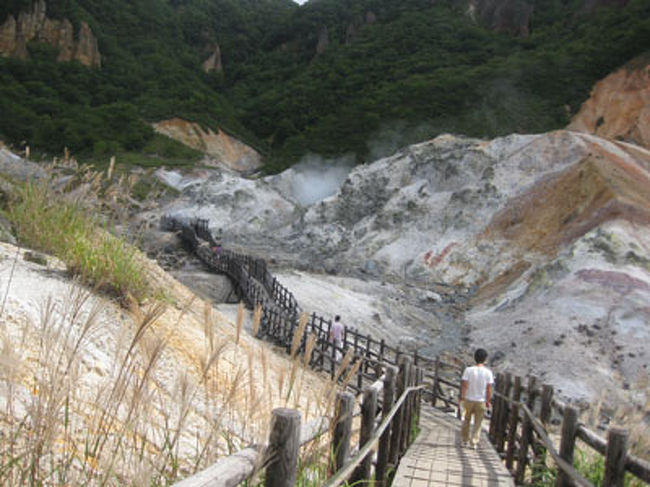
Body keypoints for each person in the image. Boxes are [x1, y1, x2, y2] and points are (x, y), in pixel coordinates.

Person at [460, 348, 494, 449]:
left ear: (474, 358)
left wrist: (462, 397)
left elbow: (464, 385)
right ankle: (474, 442)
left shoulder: (468, 370)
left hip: (469, 399)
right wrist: (488, 401)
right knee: (478, 422)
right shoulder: (488, 373)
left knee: (466, 420)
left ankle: (464, 440)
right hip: (481, 400)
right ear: (485, 359)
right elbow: (489, 389)